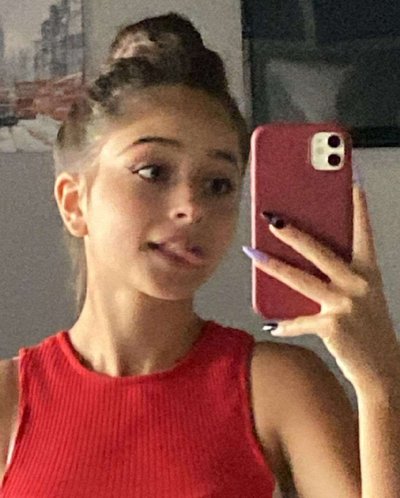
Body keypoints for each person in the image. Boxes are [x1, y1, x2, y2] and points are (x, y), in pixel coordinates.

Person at [1, 12, 400, 498]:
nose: (191, 208)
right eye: (153, 171)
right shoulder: (8, 401)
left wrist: (381, 384)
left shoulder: (276, 387)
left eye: (218, 184)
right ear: (74, 202)